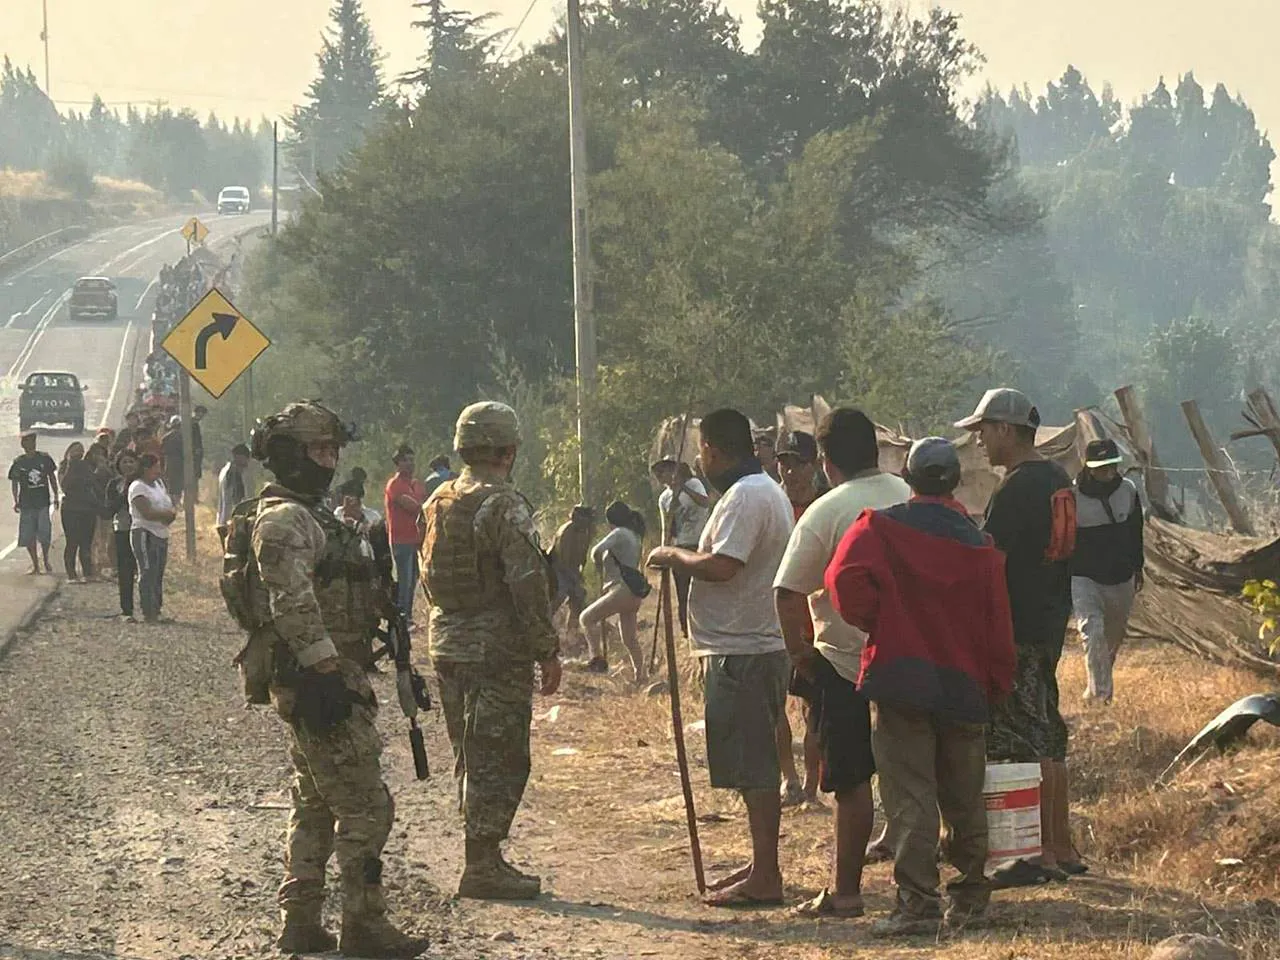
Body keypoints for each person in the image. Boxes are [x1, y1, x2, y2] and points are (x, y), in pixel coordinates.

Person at [236, 401, 426, 957]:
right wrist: (326, 672)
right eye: (320, 450)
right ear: (291, 455)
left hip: (329, 674)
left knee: (315, 801)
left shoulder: (311, 515)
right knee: (368, 806)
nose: (330, 460)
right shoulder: (285, 520)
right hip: (319, 683)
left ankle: (300, 920)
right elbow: (290, 602)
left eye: (333, 450)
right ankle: (363, 925)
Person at [826, 437, 1016, 935]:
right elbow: (999, 625)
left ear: (907, 478)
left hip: (901, 679)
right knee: (965, 796)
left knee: (910, 796)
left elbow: (842, 580)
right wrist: (998, 684)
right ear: (955, 481)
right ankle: (971, 899)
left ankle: (917, 905)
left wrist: (881, 622)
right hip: (965, 685)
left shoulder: (879, 527)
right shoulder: (980, 545)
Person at [648, 408, 793, 907]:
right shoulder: (757, 490)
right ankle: (761, 863)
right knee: (751, 763)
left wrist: (672, 555)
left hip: (744, 649)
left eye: (701, 451)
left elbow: (723, 565)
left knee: (754, 767)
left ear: (711, 448)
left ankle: (766, 876)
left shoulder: (749, 494)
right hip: (748, 644)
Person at [419, 401, 562, 901]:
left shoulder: (437, 500)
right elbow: (526, 581)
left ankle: (481, 857)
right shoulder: (504, 505)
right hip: (495, 649)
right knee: (499, 755)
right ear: (509, 450)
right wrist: (546, 648)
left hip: (447, 641)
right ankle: (481, 864)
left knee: (469, 751)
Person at [772, 409, 910, 919]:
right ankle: (918, 887)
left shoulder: (825, 511)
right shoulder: (908, 496)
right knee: (911, 770)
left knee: (851, 781)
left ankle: (846, 892)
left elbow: (788, 593)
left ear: (826, 462)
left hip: (842, 660)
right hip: (910, 655)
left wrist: (801, 657)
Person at [955, 387, 1079, 883]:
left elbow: (994, 566)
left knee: (1022, 738)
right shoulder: (1057, 478)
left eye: (984, 430)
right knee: (1048, 732)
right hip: (1049, 621)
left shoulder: (1015, 490)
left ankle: (1036, 855)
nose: (979, 441)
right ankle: (1062, 846)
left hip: (1018, 627)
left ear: (1006, 430)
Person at [773, 430, 824, 808]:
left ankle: (811, 786)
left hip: (815, 624)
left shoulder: (825, 507)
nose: (790, 471)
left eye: (798, 463)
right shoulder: (770, 505)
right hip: (774, 622)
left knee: (814, 711)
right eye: (784, 463)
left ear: (814, 464)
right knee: (774, 706)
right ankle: (787, 779)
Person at [1073, 438, 1144, 705]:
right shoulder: (1072, 495)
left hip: (1121, 576)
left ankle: (1097, 683)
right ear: (1088, 467)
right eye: (1101, 467)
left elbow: (1136, 531)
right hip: (1084, 575)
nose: (1108, 472)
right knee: (1092, 632)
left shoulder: (1128, 491)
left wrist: (1138, 567)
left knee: (1112, 638)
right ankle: (1101, 698)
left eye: (1112, 466)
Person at [580, 501, 650, 682]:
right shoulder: (635, 536)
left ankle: (596, 660)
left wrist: (598, 564)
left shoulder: (619, 533)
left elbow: (596, 551)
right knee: (629, 639)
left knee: (586, 618)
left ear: (610, 520)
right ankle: (641, 675)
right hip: (633, 592)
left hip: (621, 589)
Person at [658, 461, 711, 637]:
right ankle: (686, 630)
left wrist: (682, 488)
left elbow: (705, 502)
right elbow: (666, 527)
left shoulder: (694, 484)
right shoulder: (664, 498)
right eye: (658, 474)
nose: (661, 477)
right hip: (680, 546)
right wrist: (664, 551)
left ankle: (705, 628)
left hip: (698, 544)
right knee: (683, 592)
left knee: (701, 591)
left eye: (664, 472)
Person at [129, 453, 176, 624]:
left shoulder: (159, 484)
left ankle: (157, 609)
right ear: (146, 468)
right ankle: (148, 611)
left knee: (158, 573)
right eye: (156, 467)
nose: (159, 471)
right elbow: (147, 513)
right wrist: (166, 514)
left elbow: (168, 505)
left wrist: (170, 514)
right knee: (147, 571)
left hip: (161, 533)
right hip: (145, 533)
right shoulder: (138, 487)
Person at [384, 444, 426, 622]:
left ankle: (407, 615)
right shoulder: (395, 484)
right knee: (404, 580)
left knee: (414, 580)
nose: (410, 464)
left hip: (416, 538)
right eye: (406, 460)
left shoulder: (415, 484)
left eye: (412, 460)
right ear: (398, 463)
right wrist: (424, 506)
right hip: (401, 539)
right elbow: (414, 507)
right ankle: (401, 616)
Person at [9, 431, 59, 575]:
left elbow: (52, 478)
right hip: (26, 503)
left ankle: (46, 558)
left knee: (44, 534)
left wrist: (56, 495)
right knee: (28, 535)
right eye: (26, 442)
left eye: (32, 441)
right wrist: (15, 500)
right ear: (22, 445)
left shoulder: (44, 458)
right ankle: (35, 564)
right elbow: (14, 482)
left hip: (43, 502)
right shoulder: (19, 462)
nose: (30, 445)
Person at [550, 504, 595, 646]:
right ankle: (544, 627)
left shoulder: (586, 531)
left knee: (578, 598)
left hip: (572, 570)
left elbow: (582, 556)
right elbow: (563, 559)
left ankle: (571, 634)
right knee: (559, 596)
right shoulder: (567, 531)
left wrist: (579, 574)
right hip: (558, 569)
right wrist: (573, 578)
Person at [106, 450, 140, 621]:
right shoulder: (114, 484)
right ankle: (127, 609)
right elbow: (108, 510)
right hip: (123, 529)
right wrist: (124, 493)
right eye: (124, 462)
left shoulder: (143, 483)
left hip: (143, 530)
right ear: (118, 465)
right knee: (125, 571)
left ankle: (150, 607)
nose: (128, 465)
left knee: (145, 570)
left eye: (131, 461)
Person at [59, 442, 99, 583]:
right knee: (72, 542)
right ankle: (71, 574)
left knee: (86, 543)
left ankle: (87, 572)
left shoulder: (86, 466)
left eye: (81, 451)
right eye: (75, 451)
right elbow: (64, 486)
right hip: (71, 508)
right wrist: (71, 465)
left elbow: (94, 482)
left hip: (87, 508)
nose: (78, 454)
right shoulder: (65, 466)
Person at [217, 444, 252, 546]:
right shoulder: (233, 474)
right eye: (246, 458)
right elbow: (235, 501)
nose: (247, 462)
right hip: (230, 524)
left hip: (223, 521)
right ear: (240, 457)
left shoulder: (226, 470)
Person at [162, 415, 185, 506]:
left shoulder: (166, 437)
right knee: (178, 483)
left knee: (171, 483)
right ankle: (176, 502)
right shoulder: (183, 437)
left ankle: (173, 502)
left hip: (170, 462)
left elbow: (163, 451)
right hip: (179, 462)